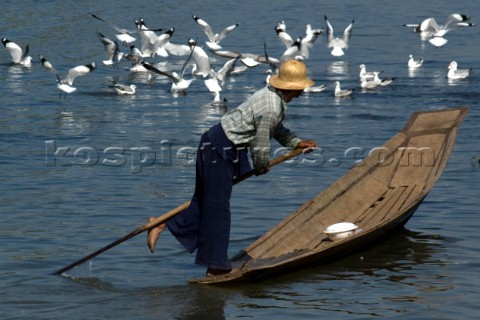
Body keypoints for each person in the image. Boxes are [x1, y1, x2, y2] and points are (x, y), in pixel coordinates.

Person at [147, 59, 318, 276]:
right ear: (292, 88)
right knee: (218, 209)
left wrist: (296, 143)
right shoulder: (272, 107)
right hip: (219, 149)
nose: (301, 93)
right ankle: (216, 266)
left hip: (220, 144)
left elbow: (274, 129)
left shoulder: (270, 94)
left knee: (205, 201)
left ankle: (162, 224)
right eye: (300, 89)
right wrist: (260, 165)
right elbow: (260, 142)